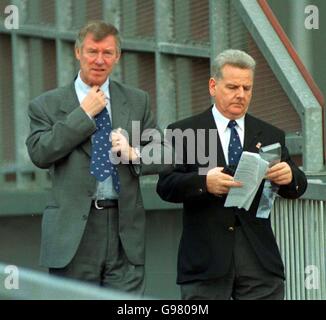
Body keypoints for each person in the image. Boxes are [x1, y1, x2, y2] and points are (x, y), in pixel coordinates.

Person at [156, 49, 307, 300]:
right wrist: (205, 183)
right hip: (206, 262)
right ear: (213, 86)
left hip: (259, 261)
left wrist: (290, 176)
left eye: (247, 88)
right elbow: (166, 186)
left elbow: (297, 186)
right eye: (233, 87)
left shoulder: (270, 134)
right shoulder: (184, 131)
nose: (241, 95)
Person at [26, 20, 163, 296]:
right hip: (74, 235)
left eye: (107, 53)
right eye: (92, 51)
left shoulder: (137, 101)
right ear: (78, 52)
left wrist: (134, 153)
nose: (99, 60)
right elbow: (40, 153)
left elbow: (165, 151)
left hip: (125, 232)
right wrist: (83, 114)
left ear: (117, 56)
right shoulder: (47, 104)